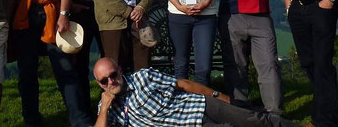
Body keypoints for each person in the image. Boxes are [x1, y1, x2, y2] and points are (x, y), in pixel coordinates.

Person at [93, 57, 300, 127]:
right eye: (105, 80)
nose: (111, 81)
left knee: (254, 119)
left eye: (113, 74)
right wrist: (104, 110)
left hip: (198, 105)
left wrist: (219, 96)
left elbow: (183, 84)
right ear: (100, 84)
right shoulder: (110, 109)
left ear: (119, 70)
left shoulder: (143, 77)